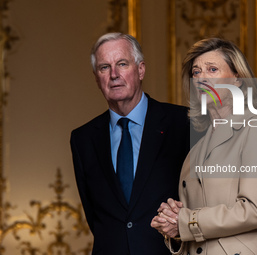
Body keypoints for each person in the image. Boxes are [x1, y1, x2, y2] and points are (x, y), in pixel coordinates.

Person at [151, 38, 257, 255]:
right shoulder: (195, 150)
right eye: (196, 72)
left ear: (237, 79)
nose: (202, 78)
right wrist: (173, 225)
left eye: (212, 69)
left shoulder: (255, 131)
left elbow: (255, 210)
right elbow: (194, 226)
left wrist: (185, 222)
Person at [70, 32, 191, 254]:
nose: (114, 74)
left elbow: (198, 200)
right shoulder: (83, 139)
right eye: (104, 67)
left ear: (141, 70)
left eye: (122, 64)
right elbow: (95, 217)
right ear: (97, 78)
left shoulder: (183, 123)